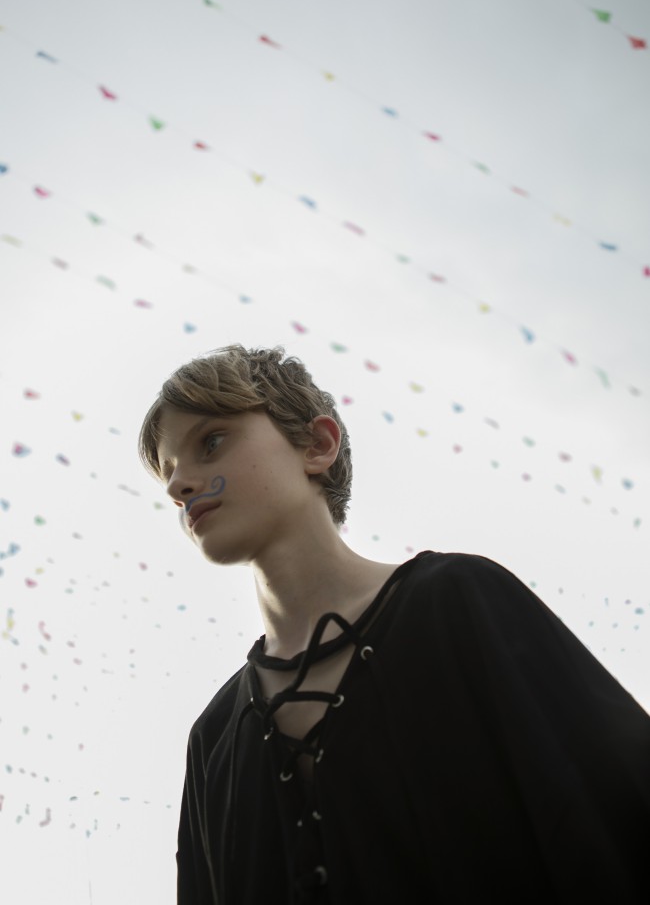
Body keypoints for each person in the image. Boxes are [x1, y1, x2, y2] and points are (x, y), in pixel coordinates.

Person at [138, 344, 650, 904]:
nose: (179, 485)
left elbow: (619, 814)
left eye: (210, 442)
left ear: (317, 444)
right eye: (168, 472)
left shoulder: (459, 604)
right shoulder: (212, 738)